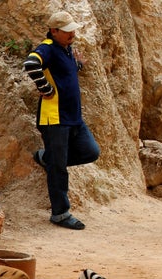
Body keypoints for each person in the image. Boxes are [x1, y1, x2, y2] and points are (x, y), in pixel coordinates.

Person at [23, 11, 100, 230]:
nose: (72, 34)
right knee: (59, 168)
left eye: (73, 30)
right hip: (54, 118)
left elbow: (65, 73)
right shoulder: (47, 47)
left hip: (73, 117)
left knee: (90, 151)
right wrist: (44, 88)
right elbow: (31, 64)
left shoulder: (66, 50)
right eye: (67, 31)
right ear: (54, 31)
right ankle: (60, 214)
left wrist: (79, 65)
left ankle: (47, 158)